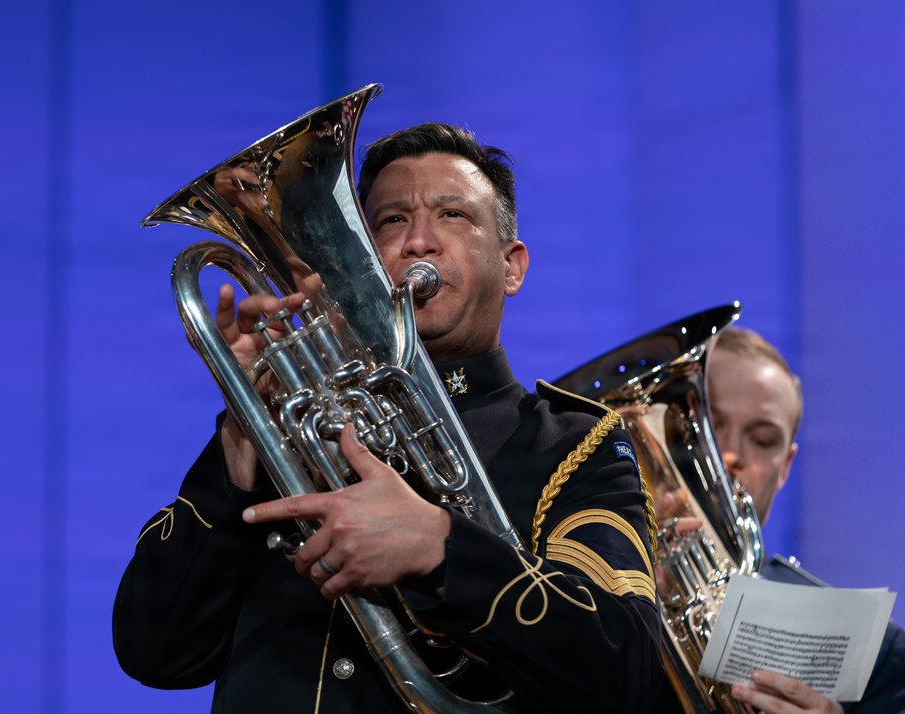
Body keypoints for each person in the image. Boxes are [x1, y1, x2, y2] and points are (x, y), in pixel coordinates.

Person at [113, 122, 664, 712]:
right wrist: (242, 435)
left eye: (453, 215)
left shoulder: (575, 444)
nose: (419, 241)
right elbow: (155, 652)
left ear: (512, 267)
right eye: (391, 221)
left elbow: (630, 665)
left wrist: (441, 549)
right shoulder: (293, 431)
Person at [656, 326, 905, 713]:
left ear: (785, 467)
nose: (728, 456)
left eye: (762, 439)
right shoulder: (581, 595)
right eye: (703, 427)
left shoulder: (875, 657)